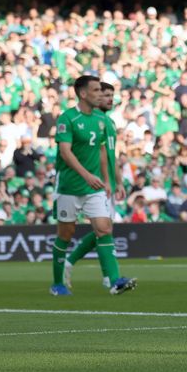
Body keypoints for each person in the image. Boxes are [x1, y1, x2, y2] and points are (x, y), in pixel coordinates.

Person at [50, 76, 135, 296]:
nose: (101, 94)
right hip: (69, 186)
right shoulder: (67, 118)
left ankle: (114, 281)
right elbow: (65, 152)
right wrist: (87, 175)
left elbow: (102, 153)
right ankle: (58, 283)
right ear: (83, 94)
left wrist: (107, 180)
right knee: (66, 234)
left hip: (94, 186)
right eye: (97, 90)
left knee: (104, 228)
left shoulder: (100, 120)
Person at [63, 82, 125, 289]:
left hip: (106, 182)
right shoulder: (94, 122)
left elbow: (111, 155)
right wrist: (107, 180)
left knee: (105, 229)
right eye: (104, 94)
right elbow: (100, 156)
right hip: (94, 182)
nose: (109, 99)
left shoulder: (108, 122)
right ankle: (109, 276)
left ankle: (77, 265)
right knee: (104, 229)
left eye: (111, 95)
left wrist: (119, 181)